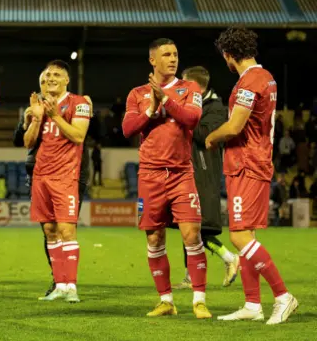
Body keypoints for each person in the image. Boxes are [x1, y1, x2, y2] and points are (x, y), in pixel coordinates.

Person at [206, 26, 298, 324]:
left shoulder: (250, 82)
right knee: (247, 236)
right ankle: (252, 304)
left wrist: (210, 138)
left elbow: (234, 127)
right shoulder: (265, 77)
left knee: (239, 235)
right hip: (249, 163)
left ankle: (283, 296)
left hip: (248, 164)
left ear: (228, 55)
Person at [122, 38, 211, 319]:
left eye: (175, 54)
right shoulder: (137, 93)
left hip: (181, 173)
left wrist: (166, 100)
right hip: (149, 175)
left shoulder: (189, 88)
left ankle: (199, 300)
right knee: (154, 238)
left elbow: (192, 118)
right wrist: (151, 109)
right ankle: (166, 301)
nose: (172, 59)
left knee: (191, 234)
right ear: (153, 60)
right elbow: (127, 129)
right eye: (166, 54)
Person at [13, 70, 93, 297]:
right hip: (41, 176)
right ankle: (59, 285)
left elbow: (78, 136)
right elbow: (28, 142)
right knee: (49, 230)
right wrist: (36, 117)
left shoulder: (79, 103)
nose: (51, 79)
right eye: (46, 77)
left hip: (66, 176)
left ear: (67, 79)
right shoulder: (38, 105)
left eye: (57, 75)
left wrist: (55, 115)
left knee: (67, 230)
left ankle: (72, 287)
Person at [171, 66, 239, 289]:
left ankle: (228, 257)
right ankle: (191, 276)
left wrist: (185, 114)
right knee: (185, 222)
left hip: (203, 171)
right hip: (184, 169)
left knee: (198, 226)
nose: (180, 88)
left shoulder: (216, 108)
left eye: (184, 84)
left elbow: (203, 135)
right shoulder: (191, 104)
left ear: (195, 87)